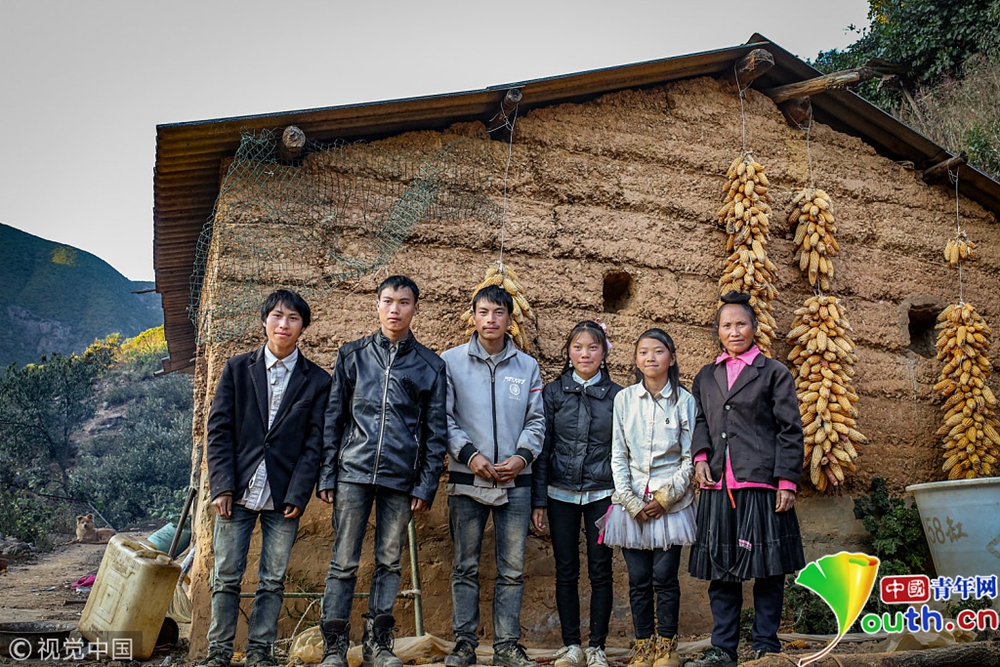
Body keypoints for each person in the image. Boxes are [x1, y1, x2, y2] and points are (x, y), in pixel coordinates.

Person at [316, 275, 448, 667]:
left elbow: (435, 432)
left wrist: (425, 484)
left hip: (400, 477)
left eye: (403, 302)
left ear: (415, 309)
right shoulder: (352, 355)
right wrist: (328, 474)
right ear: (377, 305)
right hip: (353, 472)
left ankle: (379, 645)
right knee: (343, 561)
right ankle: (334, 647)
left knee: (389, 561)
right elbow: (333, 419)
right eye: (388, 301)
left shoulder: (431, 365)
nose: (395, 309)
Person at [203, 289, 332, 667]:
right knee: (226, 575)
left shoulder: (317, 381)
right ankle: (218, 652)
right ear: (264, 321)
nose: (284, 324)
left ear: (303, 327)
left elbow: (314, 444)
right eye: (277, 316)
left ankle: (260, 652)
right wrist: (221, 486)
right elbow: (219, 431)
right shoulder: (237, 369)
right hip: (237, 489)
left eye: (293, 318)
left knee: (273, 579)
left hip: (283, 494)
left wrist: (299, 493)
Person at [686, 291, 806, 667]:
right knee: (722, 570)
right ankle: (723, 647)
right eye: (727, 325)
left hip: (761, 483)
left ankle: (766, 645)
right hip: (719, 485)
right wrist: (701, 457)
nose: (734, 331)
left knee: (768, 569)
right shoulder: (707, 376)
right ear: (718, 331)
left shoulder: (773, 373)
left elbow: (790, 429)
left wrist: (787, 480)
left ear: (754, 328)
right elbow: (701, 420)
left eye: (741, 324)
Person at [441, 284, 546, 667]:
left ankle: (506, 645)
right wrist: (469, 456)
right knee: (465, 566)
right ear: (473, 316)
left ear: (509, 319)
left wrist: (521, 458)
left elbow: (537, 420)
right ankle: (464, 644)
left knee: (512, 570)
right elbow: (443, 418)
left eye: (499, 312)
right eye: (483, 312)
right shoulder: (450, 362)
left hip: (515, 482)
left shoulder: (527, 366)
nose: (491, 319)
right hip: (467, 480)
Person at [600, 328, 697, 667]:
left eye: (658, 351)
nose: (650, 358)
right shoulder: (624, 400)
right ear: (636, 359)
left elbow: (689, 458)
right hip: (632, 505)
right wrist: (630, 500)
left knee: (665, 579)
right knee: (639, 580)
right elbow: (618, 454)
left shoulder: (684, 401)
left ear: (672, 358)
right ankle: (643, 646)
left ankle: (667, 647)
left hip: (671, 507)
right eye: (643, 352)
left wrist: (666, 498)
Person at [531, 321, 622, 667]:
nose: (585, 354)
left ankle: (597, 646)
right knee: (565, 569)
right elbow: (543, 448)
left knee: (601, 569)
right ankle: (572, 646)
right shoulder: (553, 393)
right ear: (568, 352)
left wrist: (621, 496)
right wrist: (539, 500)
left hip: (603, 494)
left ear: (604, 353)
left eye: (593, 347)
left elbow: (622, 450)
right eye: (578, 347)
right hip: (560, 493)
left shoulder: (617, 396)